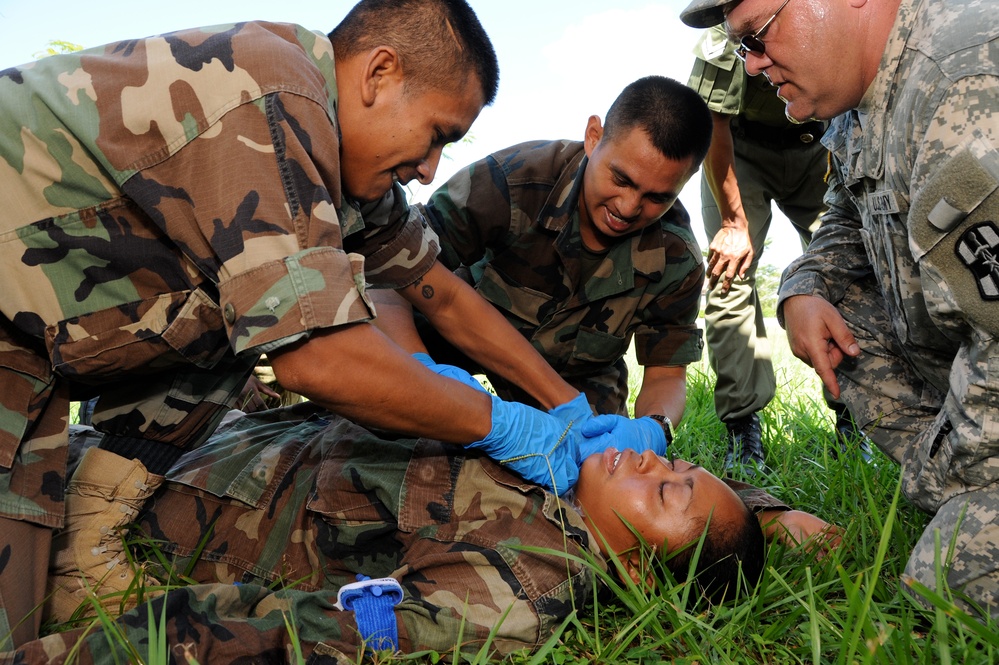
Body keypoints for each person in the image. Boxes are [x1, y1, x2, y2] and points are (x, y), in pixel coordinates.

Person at [0, 0, 654, 648]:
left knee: (23, 613)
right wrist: (501, 421)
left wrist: (560, 403)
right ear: (380, 75)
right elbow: (316, 360)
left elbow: (442, 295)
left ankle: (88, 528)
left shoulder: (349, 176)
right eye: (438, 135)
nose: (431, 169)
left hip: (30, 338)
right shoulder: (274, 95)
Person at [5, 399, 837, 664]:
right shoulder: (561, 469)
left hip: (108, 505)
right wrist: (766, 507)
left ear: (641, 577)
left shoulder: (516, 589)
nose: (645, 462)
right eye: (672, 465)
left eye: (666, 491)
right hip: (168, 436)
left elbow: (283, 633)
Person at [679, 0, 999, 619]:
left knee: (943, 589)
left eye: (759, 37)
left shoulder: (964, 79)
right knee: (832, 305)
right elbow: (847, 216)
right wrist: (801, 285)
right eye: (741, 48)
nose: (752, 67)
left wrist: (967, 485)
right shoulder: (859, 108)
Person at [393, 75, 711, 432]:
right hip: (456, 332)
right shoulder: (512, 181)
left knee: (591, 459)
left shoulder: (676, 256)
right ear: (594, 137)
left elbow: (667, 373)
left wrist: (654, 428)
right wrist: (415, 371)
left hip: (574, 376)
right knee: (391, 407)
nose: (629, 206)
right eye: (621, 179)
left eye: (658, 198)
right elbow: (395, 269)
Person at [684, 24, 834, 470]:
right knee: (728, 275)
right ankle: (743, 431)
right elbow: (710, 119)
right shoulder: (729, 25)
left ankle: (855, 418)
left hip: (820, 141)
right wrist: (733, 222)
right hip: (736, 148)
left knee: (849, 270)